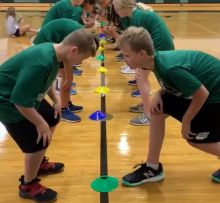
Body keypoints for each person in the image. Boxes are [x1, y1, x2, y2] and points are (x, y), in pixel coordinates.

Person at [0, 29, 96, 202]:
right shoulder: (42, 62)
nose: (80, 62)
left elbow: (47, 79)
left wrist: (56, 99)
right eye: (82, 59)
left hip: (23, 97)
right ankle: (28, 185)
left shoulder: (54, 52)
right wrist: (39, 123)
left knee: (52, 116)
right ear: (73, 50)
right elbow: (19, 102)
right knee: (36, 142)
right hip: (7, 102)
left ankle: (39, 162)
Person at [117, 26, 220, 186]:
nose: (124, 59)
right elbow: (178, 84)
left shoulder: (169, 68)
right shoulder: (154, 61)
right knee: (157, 108)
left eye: (127, 55)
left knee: (193, 138)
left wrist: (186, 122)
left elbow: (202, 93)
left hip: (215, 98)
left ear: (142, 54)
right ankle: (152, 168)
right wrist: (160, 92)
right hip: (208, 92)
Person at [104, 0, 174, 126]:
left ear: (121, 7)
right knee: (140, 75)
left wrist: (114, 34)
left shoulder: (138, 17)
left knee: (141, 77)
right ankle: (146, 105)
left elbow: (130, 44)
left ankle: (149, 115)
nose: (114, 10)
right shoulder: (132, 16)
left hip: (159, 47)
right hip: (154, 46)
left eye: (115, 7)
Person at [33, 18, 84, 122]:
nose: (82, 61)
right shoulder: (76, 34)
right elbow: (67, 59)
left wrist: (69, 78)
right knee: (65, 76)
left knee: (66, 76)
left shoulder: (80, 35)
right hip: (45, 42)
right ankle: (63, 109)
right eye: (83, 57)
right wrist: (69, 78)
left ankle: (66, 103)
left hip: (52, 41)